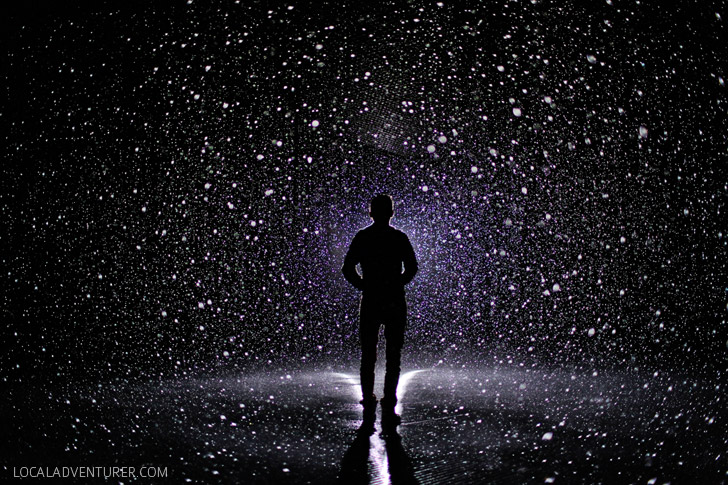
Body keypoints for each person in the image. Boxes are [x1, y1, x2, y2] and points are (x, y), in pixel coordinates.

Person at [342, 194, 418, 426]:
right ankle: (389, 397)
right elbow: (412, 267)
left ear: (371, 213)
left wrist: (364, 285)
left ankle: (368, 397)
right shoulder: (399, 237)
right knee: (393, 353)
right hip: (394, 299)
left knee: (368, 352)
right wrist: (396, 283)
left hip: (372, 299)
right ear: (391, 213)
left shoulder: (364, 237)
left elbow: (347, 268)